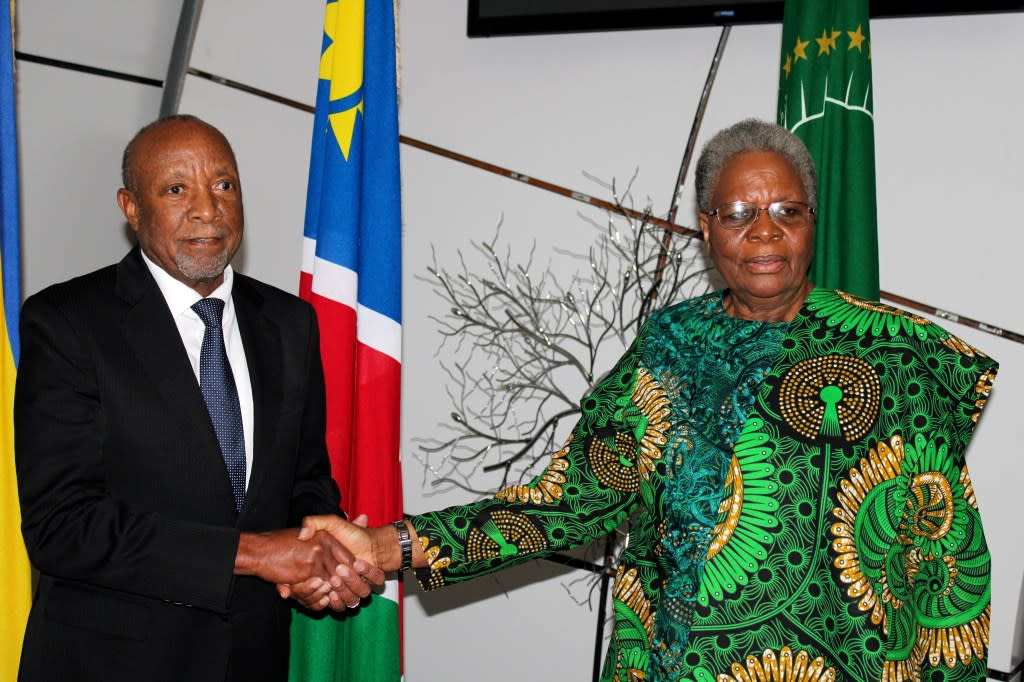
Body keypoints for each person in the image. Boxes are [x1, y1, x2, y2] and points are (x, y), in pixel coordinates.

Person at [295, 119, 997, 681]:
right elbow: (572, 498)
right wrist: (391, 544)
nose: (764, 232)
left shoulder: (900, 355)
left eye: (787, 210)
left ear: (814, 220)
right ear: (705, 226)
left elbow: (948, 563)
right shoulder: (669, 346)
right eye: (738, 213)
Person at [15, 115, 382, 682]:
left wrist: (321, 566)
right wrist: (260, 554)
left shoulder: (289, 323)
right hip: (111, 663)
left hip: (253, 659)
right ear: (131, 207)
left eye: (224, 184)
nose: (208, 209)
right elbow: (63, 527)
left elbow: (305, 480)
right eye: (176, 189)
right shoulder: (67, 323)